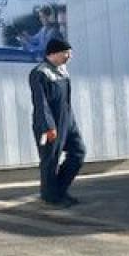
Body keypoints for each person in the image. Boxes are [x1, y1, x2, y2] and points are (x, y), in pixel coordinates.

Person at [29, 38, 86, 207]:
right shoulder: (40, 73)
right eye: (66, 53)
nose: (69, 56)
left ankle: (60, 190)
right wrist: (48, 127)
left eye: (70, 52)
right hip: (49, 124)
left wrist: (70, 122)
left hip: (67, 121)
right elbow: (41, 103)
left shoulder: (62, 70)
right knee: (50, 160)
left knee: (78, 152)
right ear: (53, 53)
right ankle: (50, 197)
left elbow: (66, 101)